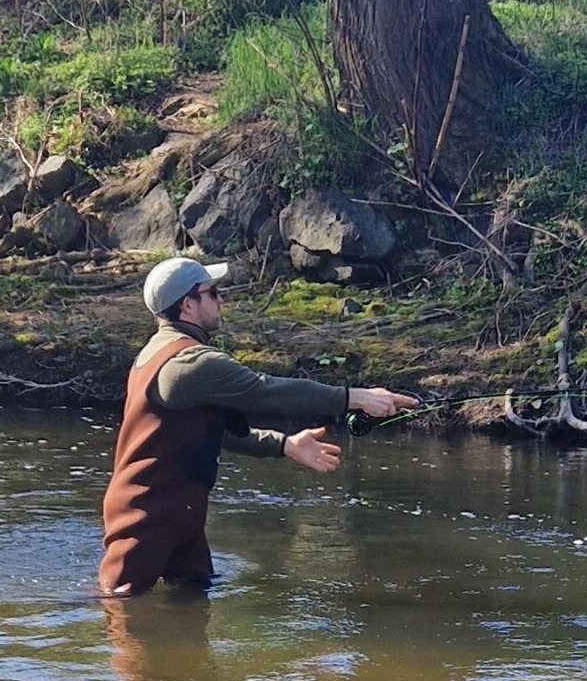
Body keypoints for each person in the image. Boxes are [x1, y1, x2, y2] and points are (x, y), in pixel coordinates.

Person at [99, 254, 417, 597]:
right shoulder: (191, 363)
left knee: (192, 598)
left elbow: (214, 432)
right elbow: (265, 391)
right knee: (117, 602)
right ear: (187, 305)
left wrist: (284, 445)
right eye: (212, 292)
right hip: (147, 513)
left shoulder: (167, 353)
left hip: (179, 511)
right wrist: (354, 397)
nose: (221, 299)